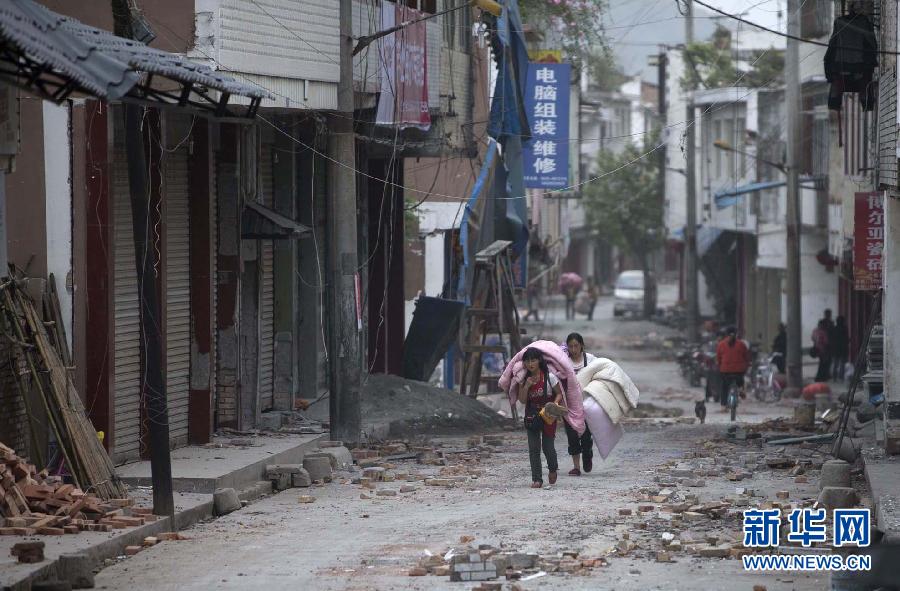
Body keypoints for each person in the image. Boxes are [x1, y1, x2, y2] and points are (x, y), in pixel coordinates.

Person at [517, 348, 564, 488]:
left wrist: (554, 406)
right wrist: (526, 387)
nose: (530, 364)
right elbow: (522, 400)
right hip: (531, 416)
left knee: (548, 447)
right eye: (527, 361)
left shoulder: (550, 377)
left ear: (539, 361)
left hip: (548, 415)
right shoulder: (524, 380)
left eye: (533, 360)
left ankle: (553, 468)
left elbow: (559, 394)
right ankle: (537, 479)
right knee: (533, 448)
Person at [564, 333, 597, 476]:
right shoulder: (563, 361)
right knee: (572, 437)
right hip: (569, 406)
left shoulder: (590, 360)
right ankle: (576, 467)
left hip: (586, 405)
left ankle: (587, 455)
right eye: (570, 346)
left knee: (585, 436)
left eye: (576, 346)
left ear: (581, 345)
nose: (573, 349)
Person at [716, 326, 750, 408]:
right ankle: (741, 389)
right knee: (741, 380)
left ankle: (723, 405)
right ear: (736, 333)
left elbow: (718, 359)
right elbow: (747, 357)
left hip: (725, 371)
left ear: (726, 334)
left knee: (724, 386)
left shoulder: (721, 344)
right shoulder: (742, 344)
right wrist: (747, 365)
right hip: (739, 371)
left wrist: (720, 366)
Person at [831, 316, 850, 381]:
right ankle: (841, 377)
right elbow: (846, 339)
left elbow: (832, 339)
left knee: (835, 364)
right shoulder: (844, 328)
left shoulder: (834, 328)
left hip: (835, 349)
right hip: (843, 348)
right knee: (842, 364)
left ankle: (834, 377)